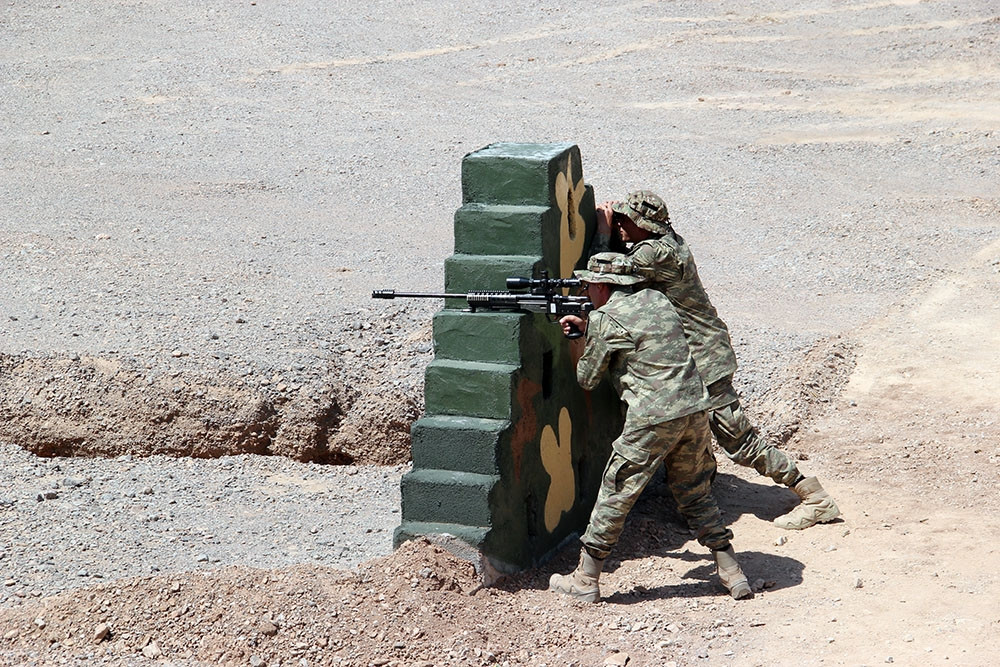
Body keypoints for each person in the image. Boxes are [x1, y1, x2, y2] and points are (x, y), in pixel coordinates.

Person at [594, 190, 840, 530]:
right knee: (694, 430)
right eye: (617, 219)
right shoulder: (662, 244)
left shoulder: (654, 252)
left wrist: (603, 233)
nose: (620, 224)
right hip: (699, 355)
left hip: (704, 360)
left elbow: (602, 274)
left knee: (736, 438)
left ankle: (813, 496)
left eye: (625, 220)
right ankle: (699, 496)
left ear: (643, 225)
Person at [548, 252, 753, 602]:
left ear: (601, 286)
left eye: (587, 284)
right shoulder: (656, 300)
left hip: (654, 417)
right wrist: (594, 327)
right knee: (694, 491)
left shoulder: (607, 319)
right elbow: (640, 337)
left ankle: (585, 580)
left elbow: (587, 379)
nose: (586, 290)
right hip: (694, 407)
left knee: (617, 490)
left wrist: (583, 338)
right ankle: (731, 571)